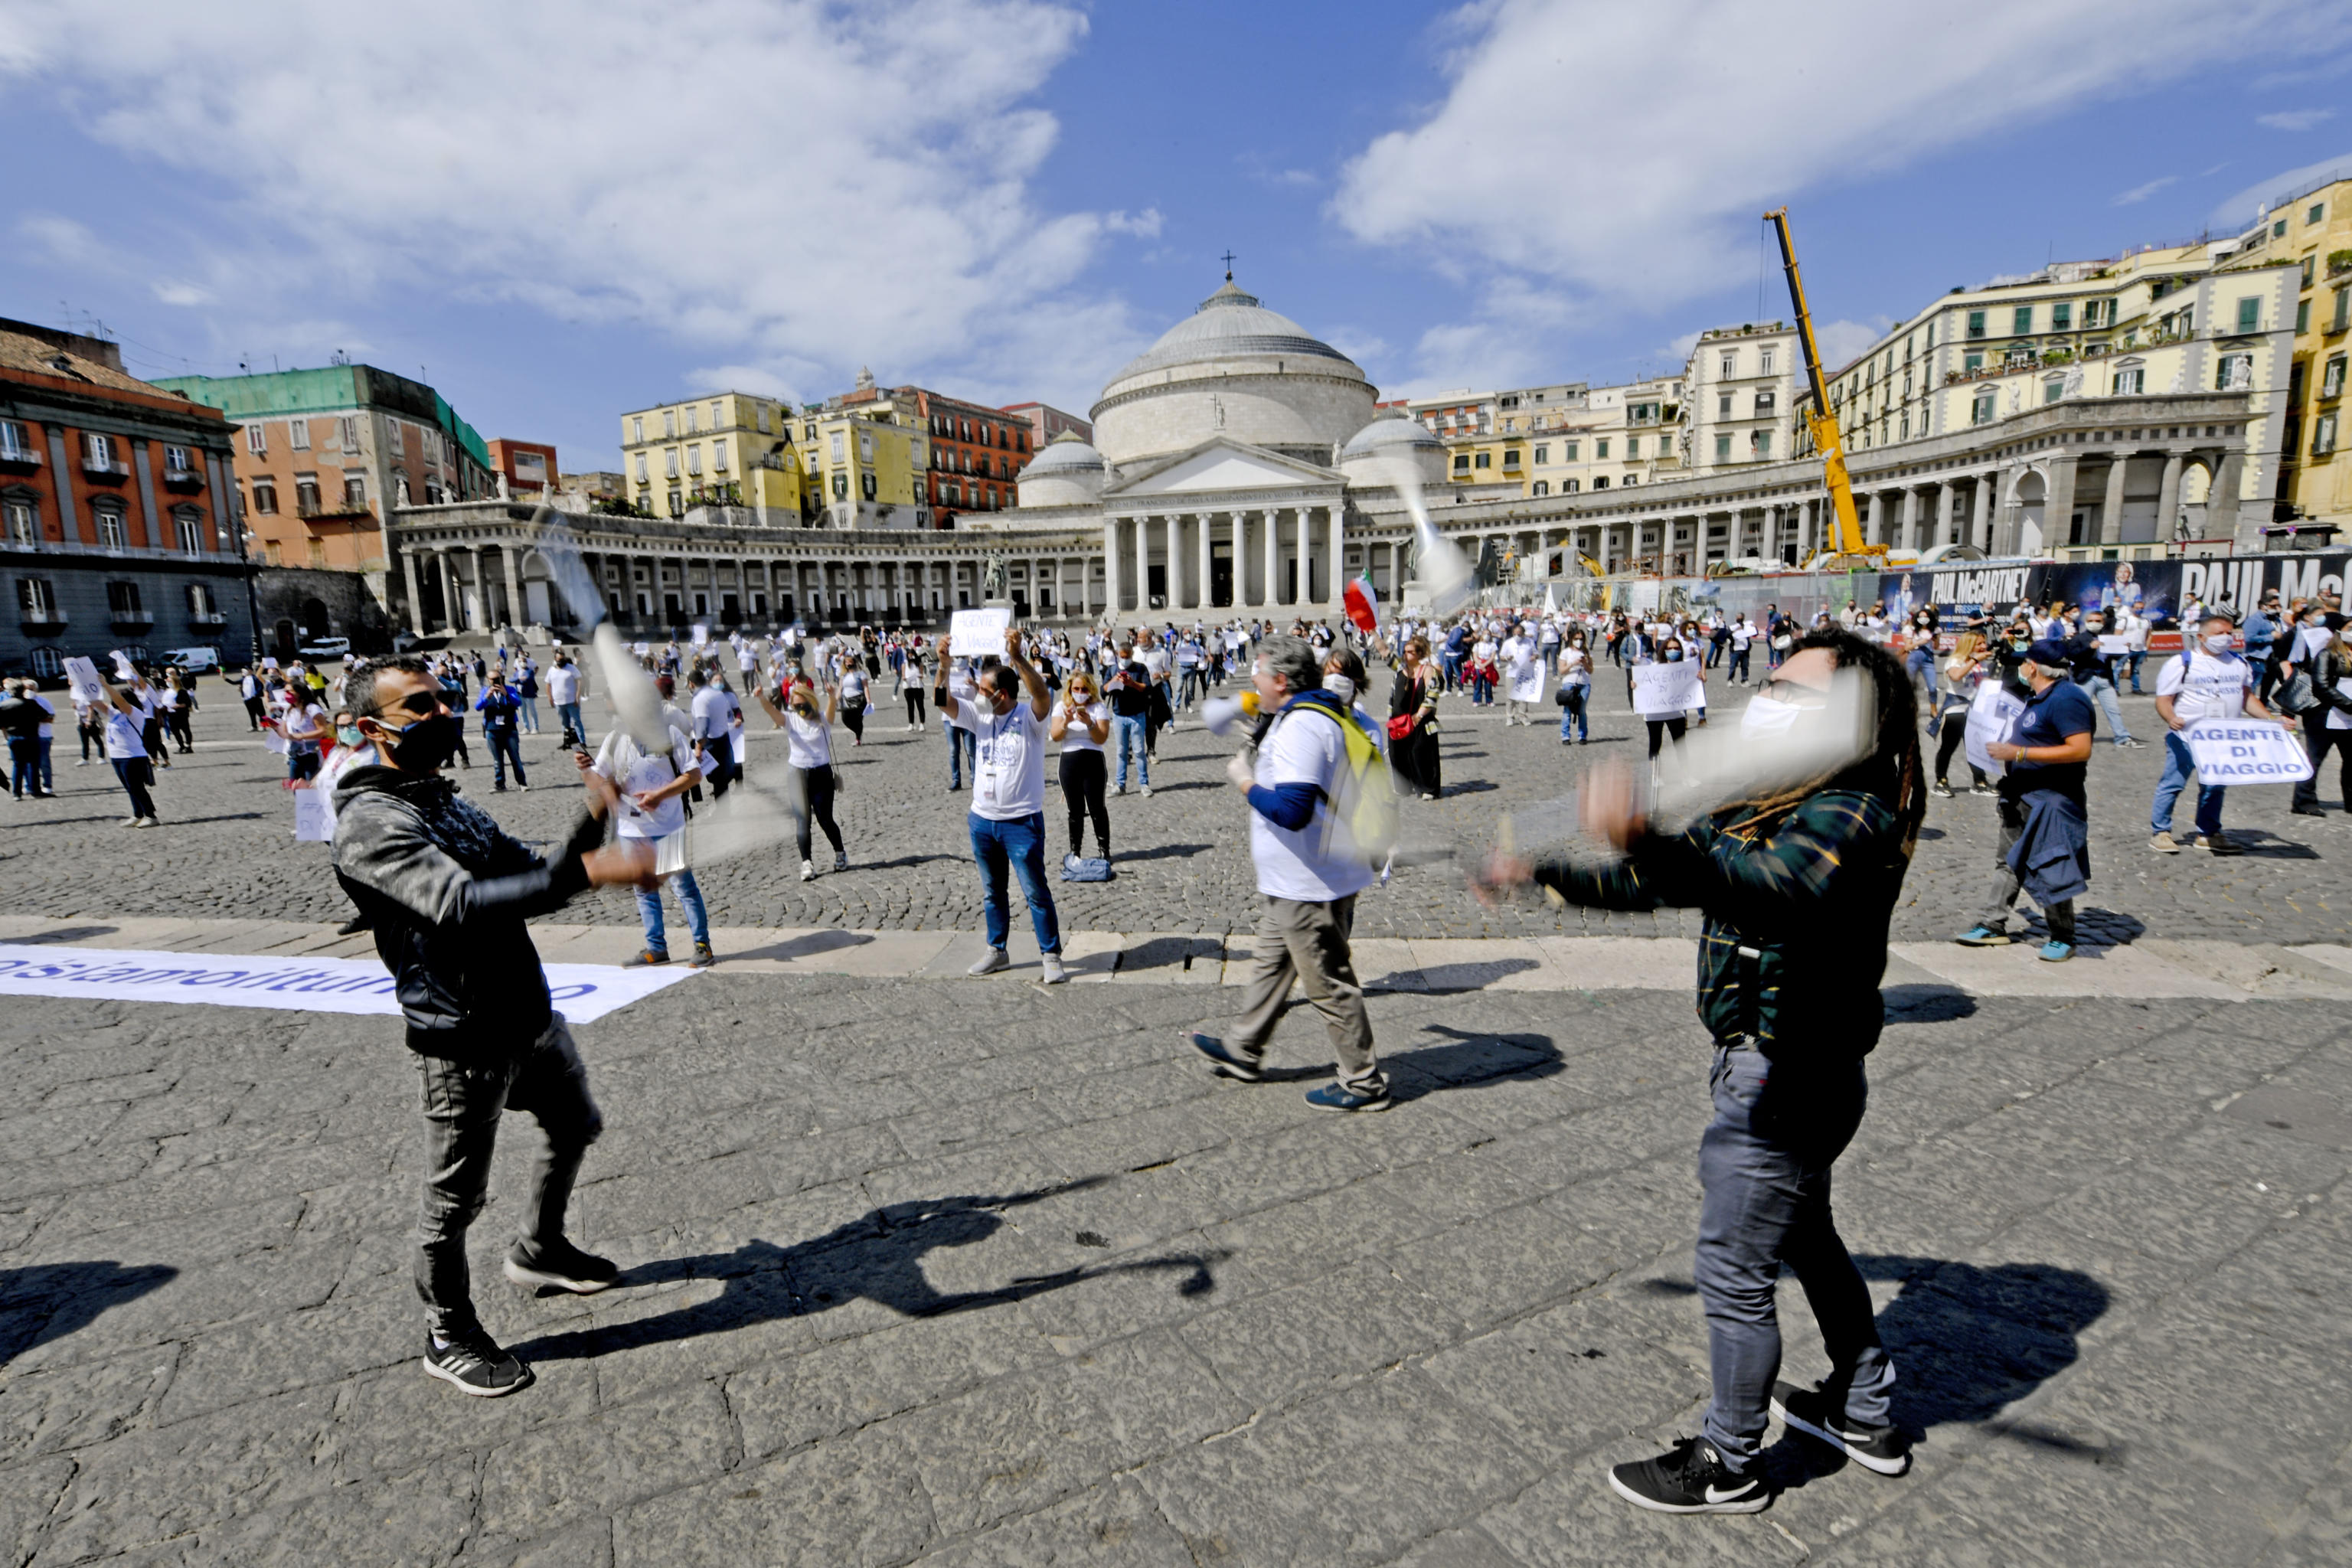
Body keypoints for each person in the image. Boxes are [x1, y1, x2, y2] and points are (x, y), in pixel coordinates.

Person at [1472, 627, 1923, 1513]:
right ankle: (1863, 1406)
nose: (1767, 699)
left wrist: (1649, 833)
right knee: (1804, 1234)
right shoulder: (1775, 792)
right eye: (1770, 683)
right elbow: (1675, 880)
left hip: (1788, 1076)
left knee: (1732, 1264)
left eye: (1793, 691)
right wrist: (1546, 872)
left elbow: (1773, 888)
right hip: (1775, 1062)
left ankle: (1728, 1460)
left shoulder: (1854, 806)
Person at [332, 655, 652, 1396]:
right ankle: (447, 1330)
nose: (444, 713)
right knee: (454, 1200)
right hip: (461, 1035)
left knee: (575, 1122)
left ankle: (541, 1246)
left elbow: (528, 869)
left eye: (443, 699)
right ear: (372, 728)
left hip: (527, 1010)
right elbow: (461, 902)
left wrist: (594, 814)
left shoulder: (442, 797)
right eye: (420, 706)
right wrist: (593, 873)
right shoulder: (371, 823)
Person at [1186, 633, 1391, 1112]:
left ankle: (1363, 1082)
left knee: (1327, 981)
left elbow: (1294, 810)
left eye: (1258, 672)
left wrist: (1245, 783)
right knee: (1271, 965)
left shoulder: (1302, 726)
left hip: (1311, 882)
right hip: (1295, 879)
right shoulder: (1299, 716)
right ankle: (1244, 1048)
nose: (1252, 680)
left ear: (1280, 679)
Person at [938, 629, 1066, 983]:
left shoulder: (1030, 719)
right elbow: (941, 701)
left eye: (983, 690)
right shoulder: (980, 716)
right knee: (993, 892)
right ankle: (998, 950)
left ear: (1003, 694)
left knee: (1035, 892)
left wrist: (1019, 657)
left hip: (1020, 821)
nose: (977, 695)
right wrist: (943, 667)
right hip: (982, 819)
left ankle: (1051, 955)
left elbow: (1043, 694)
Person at [1955, 638, 2095, 960]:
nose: (2019, 667)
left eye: (2023, 662)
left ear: (2033, 667)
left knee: (2052, 864)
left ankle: (2063, 935)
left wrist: (2018, 751)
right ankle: (1993, 924)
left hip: (2053, 798)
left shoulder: (2067, 699)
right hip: (2020, 793)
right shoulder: (2038, 697)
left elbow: (2080, 749)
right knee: (2007, 862)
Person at [590, 707, 717, 969]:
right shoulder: (615, 739)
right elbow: (598, 778)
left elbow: (693, 775)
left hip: (667, 827)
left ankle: (702, 945)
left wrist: (659, 795)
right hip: (630, 829)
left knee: (683, 888)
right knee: (643, 889)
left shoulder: (669, 736)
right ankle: (656, 947)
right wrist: (589, 773)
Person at [2150, 612, 2274, 853]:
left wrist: (2271, 719)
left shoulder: (2239, 663)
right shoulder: (2182, 662)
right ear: (2201, 637)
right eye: (2219, 634)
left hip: (2223, 738)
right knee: (2173, 783)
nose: (2226, 638)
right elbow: (2164, 699)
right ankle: (2161, 831)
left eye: (2229, 633)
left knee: (2214, 787)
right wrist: (2171, 718)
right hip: (2187, 736)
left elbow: (2247, 698)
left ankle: (2208, 833)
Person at [754, 672, 848, 880]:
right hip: (797, 774)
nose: (800, 709)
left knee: (825, 819)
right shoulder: (790, 720)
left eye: (803, 704)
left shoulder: (823, 719)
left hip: (821, 773)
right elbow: (773, 713)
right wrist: (761, 698)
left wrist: (833, 696)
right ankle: (807, 863)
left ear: (811, 702)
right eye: (796, 705)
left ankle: (840, 853)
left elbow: (832, 710)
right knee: (802, 821)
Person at [2291, 621, 2352, 816]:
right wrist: (2349, 705)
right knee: (2314, 759)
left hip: (2348, 718)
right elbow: (2321, 686)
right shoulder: (2328, 654)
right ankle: (2304, 801)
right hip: (2323, 715)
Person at [1051, 669, 1112, 862]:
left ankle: (1104, 850)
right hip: (1069, 761)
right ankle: (1075, 851)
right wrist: (1066, 722)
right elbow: (1055, 736)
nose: (1080, 692)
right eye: (1076, 688)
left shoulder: (1098, 708)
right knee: (1075, 810)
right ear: (1070, 688)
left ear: (1090, 689)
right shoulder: (1062, 707)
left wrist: (1090, 724)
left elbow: (1102, 738)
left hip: (1093, 761)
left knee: (1097, 808)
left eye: (1084, 689)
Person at [1929, 629, 1994, 798]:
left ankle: (1980, 781)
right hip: (1956, 709)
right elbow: (1956, 676)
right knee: (1948, 747)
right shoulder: (1955, 661)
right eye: (1979, 643)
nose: (1983, 646)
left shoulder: (1982, 662)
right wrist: (1973, 661)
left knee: (1976, 747)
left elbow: (1982, 682)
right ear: (1969, 645)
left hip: (1975, 709)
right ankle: (1940, 781)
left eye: (1983, 643)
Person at [98, 672, 159, 826]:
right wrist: (83, 686)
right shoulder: (115, 713)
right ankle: (138, 814)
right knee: (129, 788)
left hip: (132, 756)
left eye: (117, 698)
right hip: (116, 756)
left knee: (137, 787)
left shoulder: (135, 713)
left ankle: (151, 816)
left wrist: (106, 685)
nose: (114, 700)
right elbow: (96, 703)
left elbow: (122, 702)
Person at [1388, 635, 1441, 800]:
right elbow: (1385, 654)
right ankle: (1404, 786)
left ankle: (1428, 788)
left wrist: (1419, 715)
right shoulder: (1401, 669)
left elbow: (1433, 694)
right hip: (1399, 721)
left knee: (1421, 753)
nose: (1406, 655)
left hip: (1422, 720)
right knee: (1397, 754)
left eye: (1410, 652)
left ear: (1419, 653)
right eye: (1404, 652)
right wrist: (1373, 633)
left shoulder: (1428, 670)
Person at [1106, 642, 1154, 796]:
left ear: (1132, 655)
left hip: (1137, 715)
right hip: (1119, 715)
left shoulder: (1140, 668)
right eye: (1122, 657)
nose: (1125, 660)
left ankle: (1144, 783)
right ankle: (1120, 784)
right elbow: (1103, 691)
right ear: (1118, 655)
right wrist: (1114, 681)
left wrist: (1131, 683)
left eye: (1127, 657)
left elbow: (1146, 688)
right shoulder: (1112, 669)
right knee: (1121, 751)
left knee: (1139, 751)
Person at [687, 667, 738, 797]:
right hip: (724, 738)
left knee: (711, 777)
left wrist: (698, 748)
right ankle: (724, 810)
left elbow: (703, 725)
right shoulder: (717, 693)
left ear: (691, 684)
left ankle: (722, 812)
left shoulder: (700, 699)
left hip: (711, 743)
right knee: (721, 780)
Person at [475, 672, 529, 792]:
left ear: (501, 678)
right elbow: (478, 707)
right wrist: (487, 697)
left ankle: (522, 783)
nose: (495, 681)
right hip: (492, 729)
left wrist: (506, 695)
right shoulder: (485, 691)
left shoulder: (510, 689)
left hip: (509, 729)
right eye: (492, 679)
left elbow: (518, 703)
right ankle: (500, 784)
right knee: (497, 760)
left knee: (515, 758)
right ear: (488, 680)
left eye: (497, 679)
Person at [0, 680, 48, 799]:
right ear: (23, 690)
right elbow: (44, 715)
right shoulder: (31, 703)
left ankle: (17, 793)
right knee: (33, 764)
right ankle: (35, 790)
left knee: (17, 765)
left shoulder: (3, 705)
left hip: (14, 737)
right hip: (31, 735)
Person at [1501, 622, 1544, 725]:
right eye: (1515, 633)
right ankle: (1510, 717)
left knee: (1523, 696)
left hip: (1525, 672)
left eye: (1520, 634)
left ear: (1523, 634)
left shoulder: (1529, 642)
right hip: (1512, 672)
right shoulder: (1508, 643)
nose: (1517, 636)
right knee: (1510, 697)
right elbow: (1502, 656)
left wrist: (1534, 657)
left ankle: (1523, 716)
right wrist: (1507, 658)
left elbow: (1536, 653)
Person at [1557, 628, 1592, 745]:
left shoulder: (1587, 652)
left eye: (1581, 639)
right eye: (1576, 639)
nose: (1579, 641)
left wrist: (1585, 663)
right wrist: (1573, 664)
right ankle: (1565, 736)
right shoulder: (1566, 652)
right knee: (1567, 710)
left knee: (1582, 711)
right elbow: (1562, 670)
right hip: (1569, 683)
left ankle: (1583, 735)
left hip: (1584, 683)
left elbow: (1590, 670)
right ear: (1572, 639)